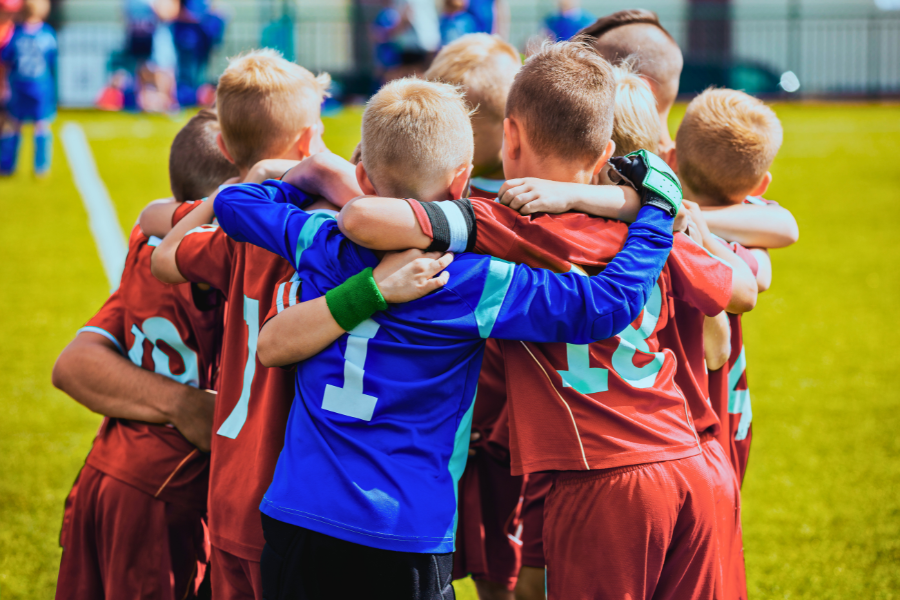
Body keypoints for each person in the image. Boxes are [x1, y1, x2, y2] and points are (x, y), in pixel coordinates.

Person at [293, 40, 755, 599]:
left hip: (602, 476)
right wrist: (636, 206)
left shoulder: (506, 225)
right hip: (694, 464)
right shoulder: (654, 232)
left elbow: (367, 220)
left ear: (510, 136)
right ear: (606, 152)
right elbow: (743, 288)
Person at [210, 75, 678, 600]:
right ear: (461, 183)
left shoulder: (320, 240)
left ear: (362, 175)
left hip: (298, 515)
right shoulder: (472, 282)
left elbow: (236, 205)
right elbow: (604, 307)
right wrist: (657, 214)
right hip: (402, 529)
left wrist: (308, 174)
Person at [52, 109, 238, 600]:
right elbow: (73, 365)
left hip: (110, 472)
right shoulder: (222, 272)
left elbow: (74, 362)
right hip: (167, 486)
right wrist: (183, 403)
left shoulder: (145, 250)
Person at [673, 87, 787, 485]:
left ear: (672, 156)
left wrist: (692, 212)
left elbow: (785, 228)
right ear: (761, 186)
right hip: (721, 417)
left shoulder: (655, 216)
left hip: (659, 419)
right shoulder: (735, 244)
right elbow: (769, 259)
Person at [424, 33, 519, 198]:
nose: (440, 147)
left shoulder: (546, 195)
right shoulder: (431, 188)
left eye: (458, 137)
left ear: (511, 132)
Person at [0, 0, 55, 176]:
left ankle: (8, 164)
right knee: (42, 125)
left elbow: (6, 59)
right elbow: (52, 60)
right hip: (40, 84)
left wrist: (4, 83)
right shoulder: (47, 34)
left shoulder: (17, 33)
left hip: (19, 84)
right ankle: (41, 166)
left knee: (14, 124)